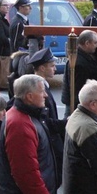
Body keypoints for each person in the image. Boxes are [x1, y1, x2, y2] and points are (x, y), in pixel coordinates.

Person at [28, 48, 66, 184]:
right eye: (52, 66)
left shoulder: (45, 86)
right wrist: (64, 124)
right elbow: (44, 120)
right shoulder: (37, 88)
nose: (55, 69)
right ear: (42, 68)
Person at [61, 29, 97, 118]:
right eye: (95, 43)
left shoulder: (82, 57)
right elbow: (77, 89)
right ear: (87, 43)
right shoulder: (79, 62)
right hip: (77, 106)